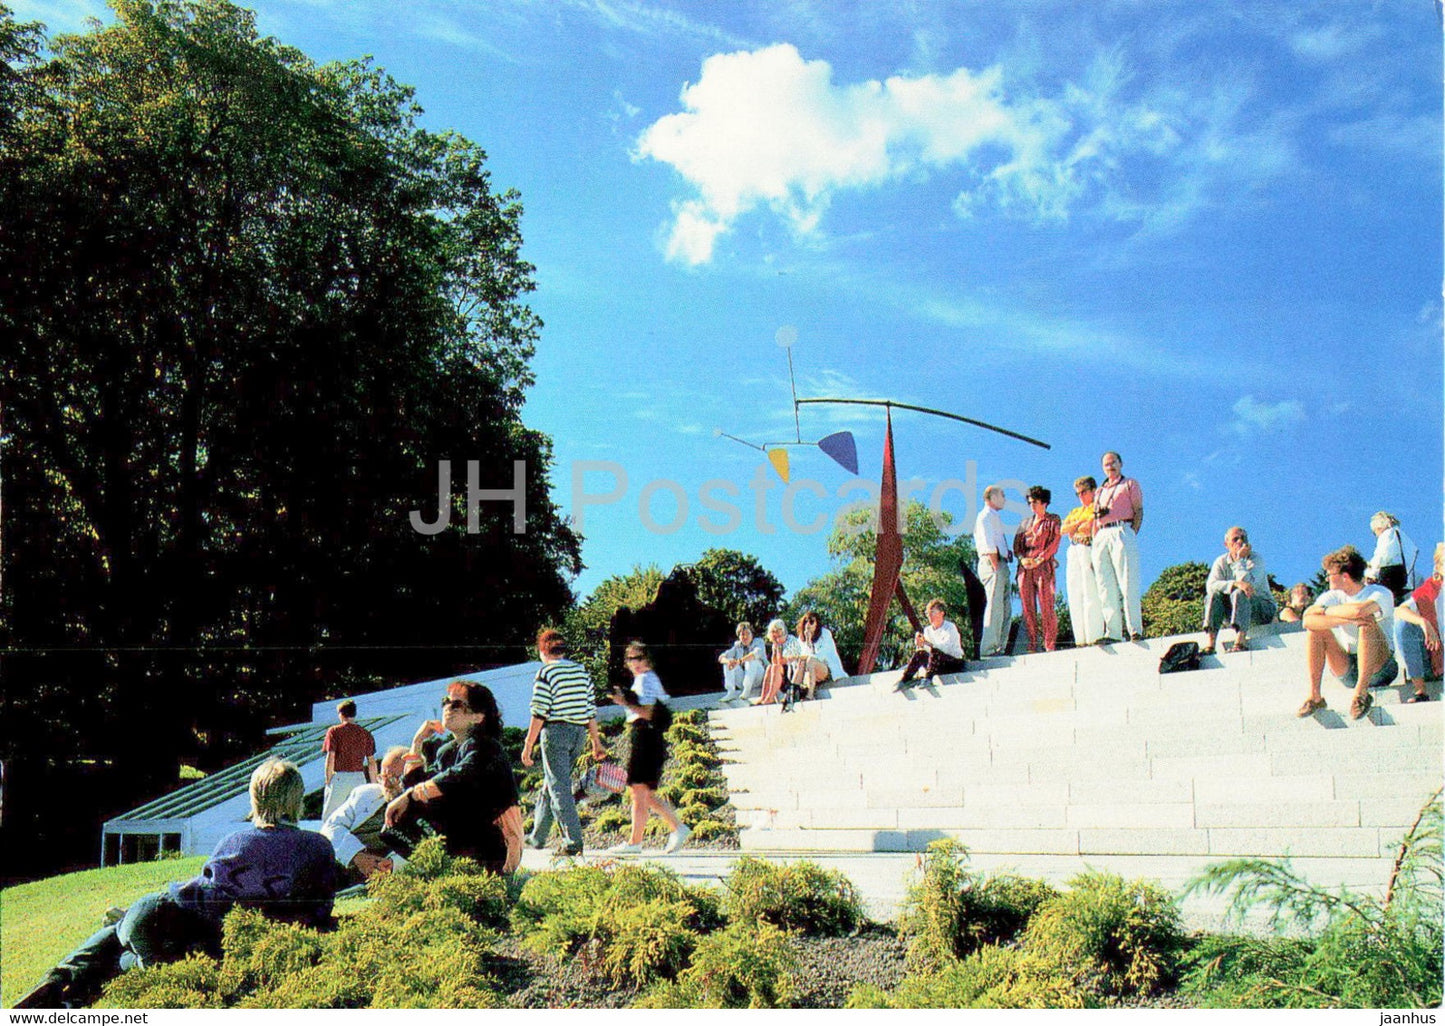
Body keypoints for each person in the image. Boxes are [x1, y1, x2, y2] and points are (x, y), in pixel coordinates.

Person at [19, 759, 337, 1009]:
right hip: (191, 936)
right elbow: (319, 910)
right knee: (119, 956)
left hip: (162, 920)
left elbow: (202, 891)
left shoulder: (236, 839)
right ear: (297, 799)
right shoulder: (319, 847)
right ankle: (61, 996)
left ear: (255, 798)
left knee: (113, 954)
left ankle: (55, 986)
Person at [387, 681, 524, 875]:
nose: (447, 708)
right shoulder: (448, 751)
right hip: (462, 842)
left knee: (423, 798)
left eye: (457, 704)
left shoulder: (487, 747)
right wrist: (417, 743)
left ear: (478, 717)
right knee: (418, 802)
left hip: (495, 850)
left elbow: (458, 778)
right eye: (446, 702)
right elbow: (419, 785)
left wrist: (411, 795)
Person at [520, 629, 606, 857]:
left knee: (559, 787)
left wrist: (528, 745)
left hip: (556, 732)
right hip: (579, 733)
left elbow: (539, 712)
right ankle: (538, 836)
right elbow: (590, 711)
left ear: (542, 650)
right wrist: (596, 742)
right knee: (552, 782)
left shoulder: (546, 673)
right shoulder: (581, 672)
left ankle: (572, 842)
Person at [1297, 545, 1398, 720]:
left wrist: (1327, 612)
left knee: (1367, 622)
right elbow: (1308, 620)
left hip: (1381, 666)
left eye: (1330, 574)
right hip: (1350, 666)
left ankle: (1361, 694)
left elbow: (1361, 611)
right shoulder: (1333, 597)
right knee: (1315, 630)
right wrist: (1345, 618)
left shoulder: (1380, 592)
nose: (1327, 578)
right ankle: (1315, 696)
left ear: (1344, 576)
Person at [608, 641, 690, 855]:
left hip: (645, 736)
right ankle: (678, 828)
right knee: (644, 793)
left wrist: (624, 702)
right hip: (647, 737)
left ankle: (635, 843)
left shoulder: (645, 680)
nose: (633, 663)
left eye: (637, 658)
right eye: (630, 659)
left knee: (639, 791)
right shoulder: (645, 680)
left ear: (647, 659)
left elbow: (648, 712)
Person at [320, 746, 410, 884]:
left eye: (392, 779)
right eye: (382, 777)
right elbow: (330, 827)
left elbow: (427, 850)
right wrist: (356, 855)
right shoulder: (366, 794)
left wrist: (393, 865)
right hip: (341, 867)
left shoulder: (426, 808)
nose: (385, 784)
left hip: (386, 878)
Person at [1091, 451, 1144, 643]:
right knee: (1105, 585)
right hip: (1102, 533)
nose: (1110, 466)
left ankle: (1135, 629)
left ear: (1121, 464)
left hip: (1122, 529)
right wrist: (1094, 540)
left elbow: (1138, 509)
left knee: (1127, 582)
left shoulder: (1129, 484)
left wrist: (1131, 532)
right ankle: (1112, 632)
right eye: (1106, 464)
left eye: (1113, 462)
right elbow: (1095, 518)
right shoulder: (1100, 491)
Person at [1201, 526, 1277, 654]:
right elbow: (1211, 586)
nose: (1240, 542)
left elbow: (1248, 586)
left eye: (1243, 538)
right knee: (1213, 596)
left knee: (1240, 593)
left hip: (1262, 608)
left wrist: (1240, 561)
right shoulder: (1221, 561)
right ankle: (1210, 643)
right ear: (1226, 544)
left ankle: (1240, 641)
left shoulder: (1256, 559)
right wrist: (1235, 584)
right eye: (1235, 539)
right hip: (1234, 609)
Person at [1392, 542, 1443, 703]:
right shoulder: (1432, 589)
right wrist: (1423, 622)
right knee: (1403, 624)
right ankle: (1420, 690)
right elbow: (1400, 610)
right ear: (1439, 566)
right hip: (1434, 659)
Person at [1014, 485, 1062, 652]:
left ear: (1044, 503)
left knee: (1046, 604)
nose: (1032, 506)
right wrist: (1022, 559)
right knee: (1027, 607)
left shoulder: (1053, 519)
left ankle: (1049, 644)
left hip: (1043, 565)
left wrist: (1040, 559)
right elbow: (1017, 546)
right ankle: (1032, 643)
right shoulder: (1024, 523)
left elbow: (1055, 543)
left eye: (1035, 502)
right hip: (1025, 567)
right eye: (1029, 503)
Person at [1060, 476, 1105, 646]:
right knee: (1075, 593)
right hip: (1073, 549)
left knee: (1090, 591)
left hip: (1088, 547)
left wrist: (1076, 526)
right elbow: (1063, 530)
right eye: (1077, 493)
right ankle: (1080, 638)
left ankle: (1094, 635)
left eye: (1083, 491)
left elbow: (1089, 526)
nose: (1080, 495)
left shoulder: (1097, 507)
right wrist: (1078, 523)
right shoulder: (1076, 511)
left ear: (1093, 490)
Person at [973, 483, 1013, 656]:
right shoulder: (985, 516)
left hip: (1001, 563)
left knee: (1005, 608)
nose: (1004, 498)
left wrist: (1006, 553)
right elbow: (989, 544)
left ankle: (1000, 648)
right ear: (992, 497)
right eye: (1001, 495)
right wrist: (996, 565)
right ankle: (989, 649)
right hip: (992, 564)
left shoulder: (994, 517)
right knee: (995, 605)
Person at [321, 700, 376, 820]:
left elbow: (331, 757)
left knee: (330, 816)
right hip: (359, 777)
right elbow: (371, 762)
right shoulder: (365, 733)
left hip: (340, 777)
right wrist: (373, 784)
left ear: (341, 714)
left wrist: (328, 779)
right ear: (354, 714)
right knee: (358, 815)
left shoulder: (334, 731)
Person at [895, 598, 966, 689]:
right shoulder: (927, 630)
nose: (930, 616)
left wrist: (927, 643)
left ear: (941, 613)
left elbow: (945, 648)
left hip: (953, 663)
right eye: (928, 613)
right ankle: (906, 679)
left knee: (935, 652)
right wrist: (920, 644)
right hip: (937, 663)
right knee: (920, 654)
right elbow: (927, 650)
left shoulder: (950, 627)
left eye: (933, 612)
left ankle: (928, 679)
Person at [1364, 511, 1420, 604]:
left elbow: (1382, 555)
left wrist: (1371, 574)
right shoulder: (1403, 538)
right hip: (1403, 577)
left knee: (1380, 599)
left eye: (1375, 531)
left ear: (1380, 526)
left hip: (1389, 574)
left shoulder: (1387, 534)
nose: (1376, 535)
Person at [793, 610, 845, 701]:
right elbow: (800, 659)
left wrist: (809, 645)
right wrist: (807, 641)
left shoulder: (825, 634)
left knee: (810, 660)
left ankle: (810, 695)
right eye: (806, 622)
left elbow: (822, 656)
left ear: (817, 624)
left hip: (827, 670)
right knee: (802, 662)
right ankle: (792, 694)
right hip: (809, 673)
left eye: (811, 622)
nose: (808, 624)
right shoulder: (801, 639)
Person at [758, 618, 805, 706]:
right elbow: (774, 661)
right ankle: (763, 697)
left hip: (793, 671)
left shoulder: (791, 640)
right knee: (770, 667)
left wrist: (778, 649)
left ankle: (770, 697)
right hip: (783, 671)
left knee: (775, 667)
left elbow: (781, 661)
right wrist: (775, 648)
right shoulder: (776, 643)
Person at [718, 621, 766, 703]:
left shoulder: (759, 642)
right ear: (739, 636)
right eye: (742, 634)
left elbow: (755, 654)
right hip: (743, 679)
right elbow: (721, 657)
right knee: (728, 662)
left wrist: (739, 661)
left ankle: (747, 690)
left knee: (751, 661)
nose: (745, 636)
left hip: (759, 678)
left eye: (748, 633)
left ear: (752, 634)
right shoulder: (737, 645)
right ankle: (731, 692)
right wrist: (728, 661)